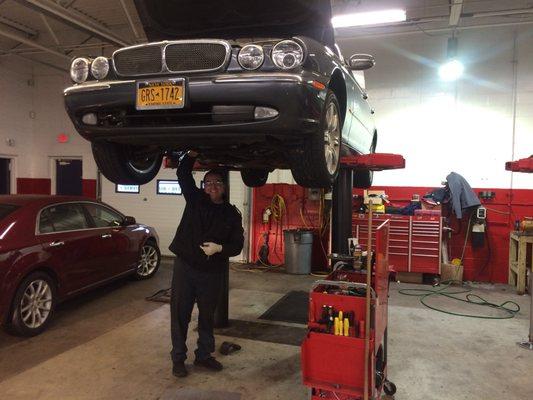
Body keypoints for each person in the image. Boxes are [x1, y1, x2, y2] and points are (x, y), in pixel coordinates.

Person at [168, 151, 244, 378]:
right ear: (203, 185)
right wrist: (190, 155)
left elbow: (237, 246)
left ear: (224, 187)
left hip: (212, 272)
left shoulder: (232, 214)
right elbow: (183, 173)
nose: (212, 186)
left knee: (207, 316)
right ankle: (178, 358)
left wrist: (220, 249)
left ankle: (203, 356)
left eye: (217, 182)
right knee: (180, 314)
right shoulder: (195, 200)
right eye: (208, 182)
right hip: (186, 268)